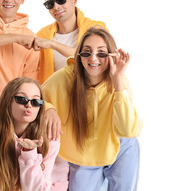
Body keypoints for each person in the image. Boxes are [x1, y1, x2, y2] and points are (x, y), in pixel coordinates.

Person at [42, 26, 142, 191]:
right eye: (87, 52)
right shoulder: (64, 78)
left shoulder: (120, 81)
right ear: (79, 56)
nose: (93, 58)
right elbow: (34, 97)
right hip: (82, 152)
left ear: (110, 56)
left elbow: (127, 130)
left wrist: (117, 81)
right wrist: (49, 108)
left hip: (119, 146)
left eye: (101, 53)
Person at [0, 77, 69, 191]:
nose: (29, 105)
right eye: (21, 99)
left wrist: (29, 154)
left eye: (36, 101)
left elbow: (38, 189)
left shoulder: (49, 135)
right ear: (7, 101)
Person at [34, 0, 108, 85]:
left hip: (91, 97)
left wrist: (52, 44)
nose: (56, 7)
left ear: (74, 0)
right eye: (50, 4)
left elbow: (89, 58)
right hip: (54, 99)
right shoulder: (42, 35)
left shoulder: (96, 29)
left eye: (61, 0)